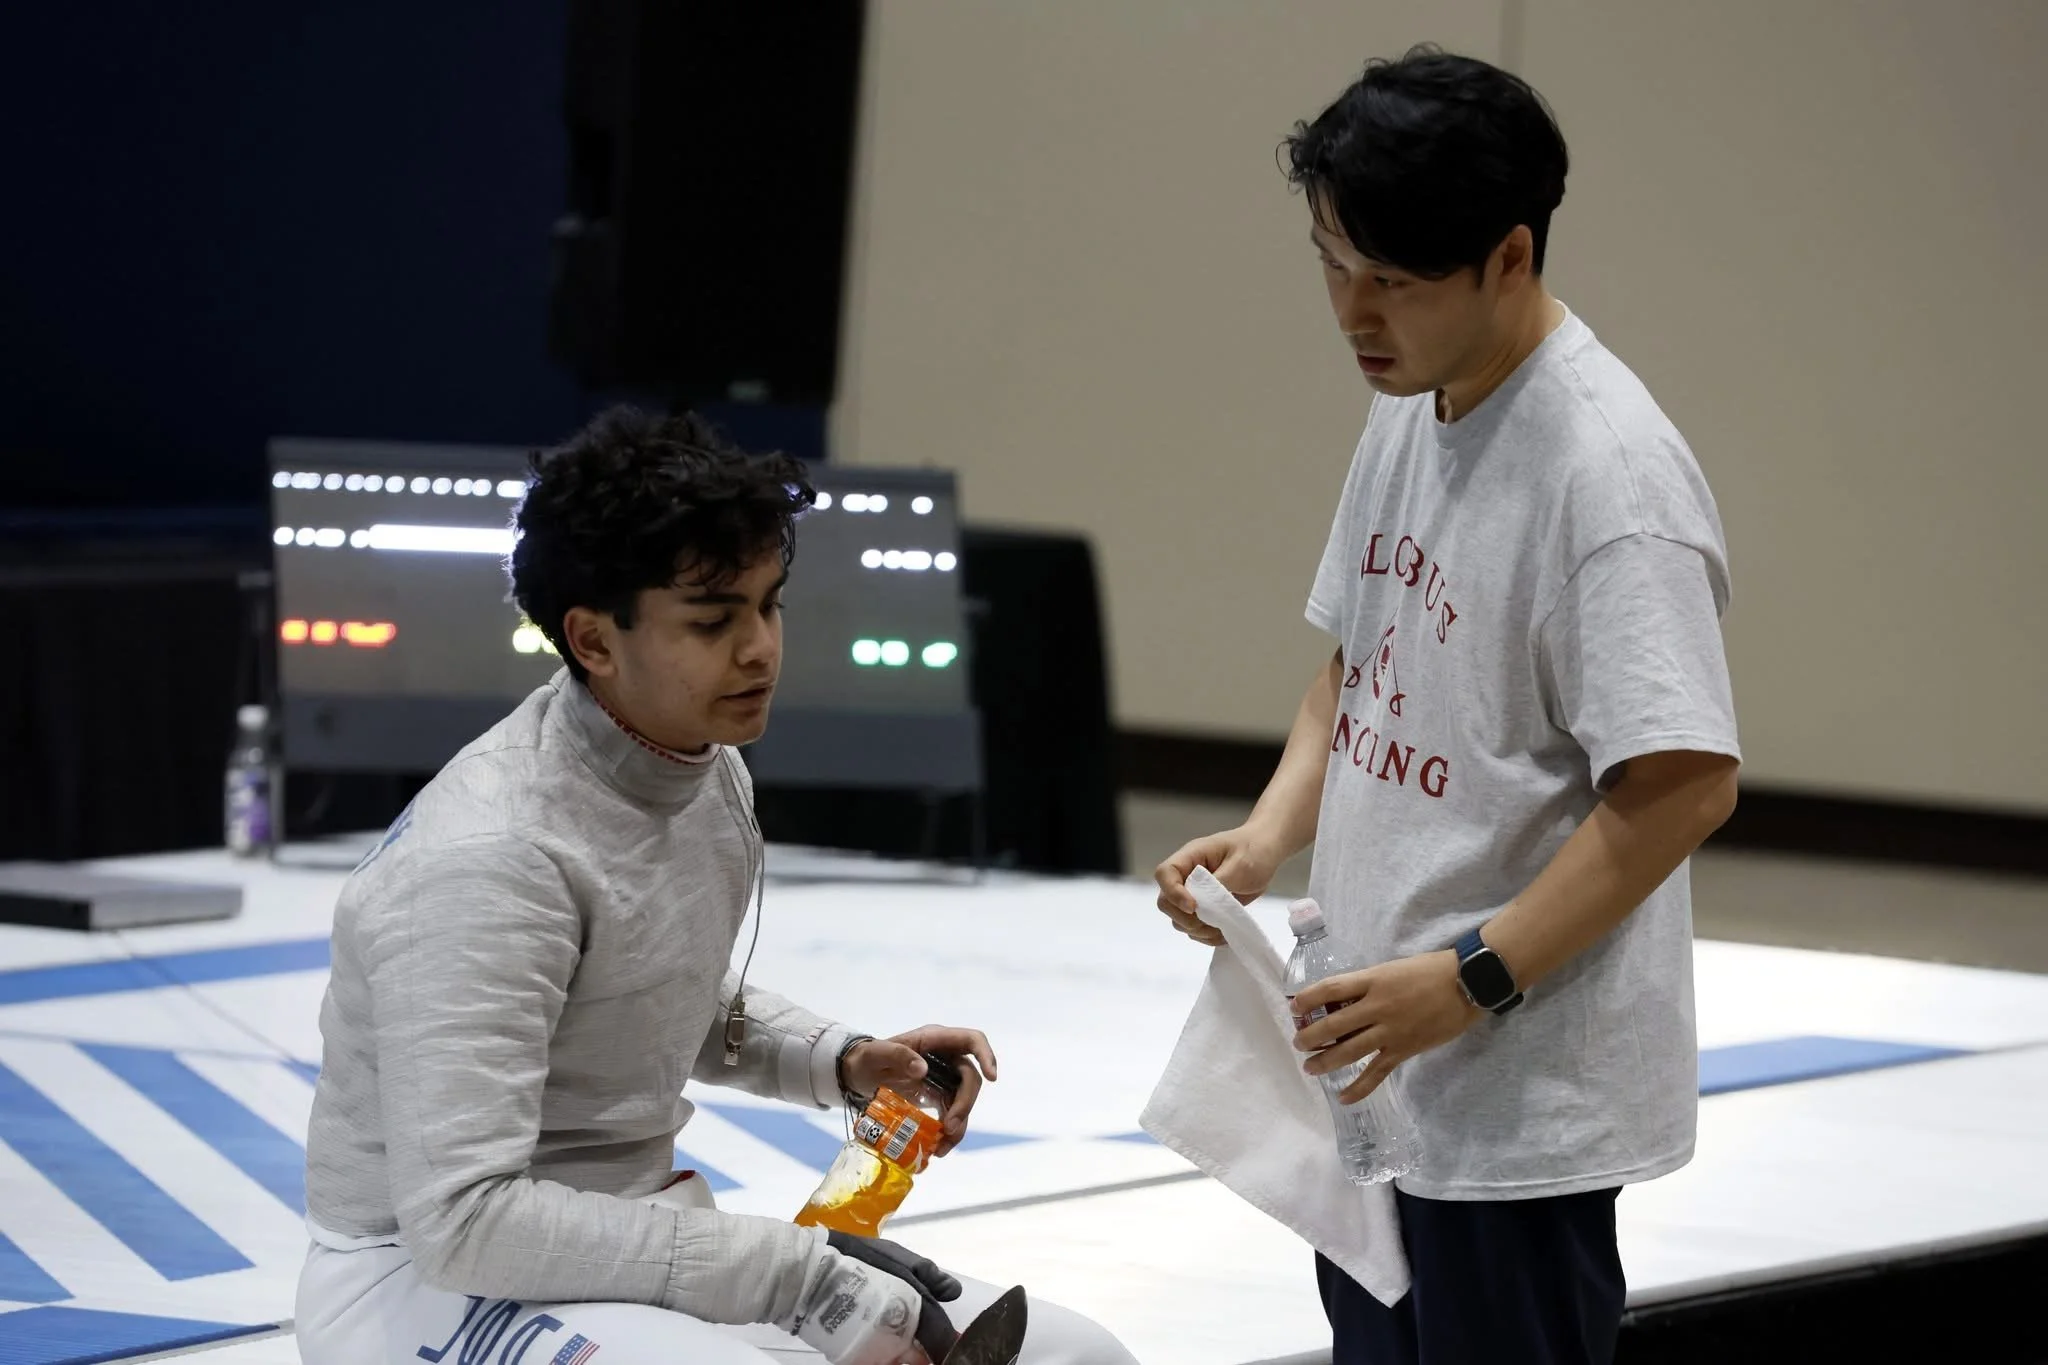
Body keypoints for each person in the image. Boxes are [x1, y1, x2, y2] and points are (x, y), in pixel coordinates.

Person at [296, 407, 1138, 1365]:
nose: (760, 649)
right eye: (712, 621)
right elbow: (466, 1221)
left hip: (625, 1237)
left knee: (1079, 1357)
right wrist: (798, 1271)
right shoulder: (491, 857)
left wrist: (844, 1059)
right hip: (420, 1281)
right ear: (594, 640)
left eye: (768, 604)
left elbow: (637, 989)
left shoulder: (703, 768)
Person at [1154, 46, 1741, 1365]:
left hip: (1510, 1103)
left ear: (1509, 258)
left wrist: (1470, 980)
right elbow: (1360, 661)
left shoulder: (1608, 479)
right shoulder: (1417, 397)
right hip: (1384, 1062)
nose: (1355, 314)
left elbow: (1686, 785)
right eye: (1333, 265)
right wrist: (1264, 839)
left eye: (1396, 283)